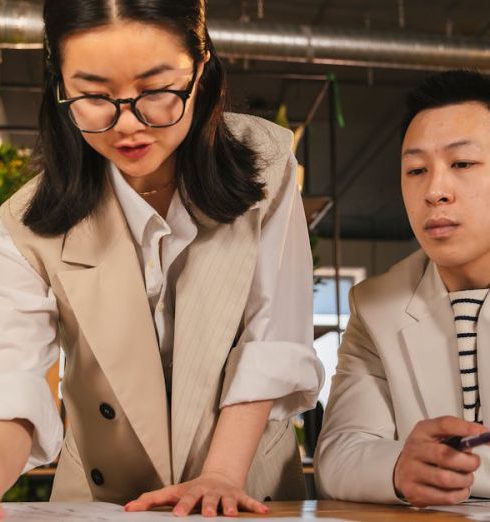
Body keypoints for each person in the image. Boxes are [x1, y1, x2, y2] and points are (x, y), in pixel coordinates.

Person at [0, 0, 324, 516]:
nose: (129, 124)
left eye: (157, 90)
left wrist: (219, 474)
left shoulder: (266, 161)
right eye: (93, 96)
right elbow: (11, 378)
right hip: (107, 500)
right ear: (59, 86)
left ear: (202, 71)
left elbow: (272, 333)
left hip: (245, 488)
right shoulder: (25, 218)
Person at [314, 69, 490, 507]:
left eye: (462, 164)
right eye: (415, 170)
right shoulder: (377, 305)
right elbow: (338, 454)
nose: (435, 191)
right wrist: (397, 468)